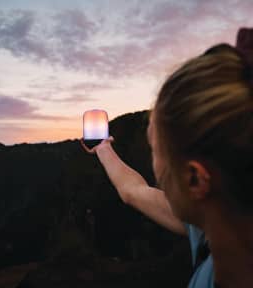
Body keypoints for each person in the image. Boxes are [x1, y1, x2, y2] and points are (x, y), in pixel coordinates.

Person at [80, 27, 253, 288]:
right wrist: (103, 148)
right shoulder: (215, 221)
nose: (155, 166)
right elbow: (132, 191)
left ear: (194, 179)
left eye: (155, 149)